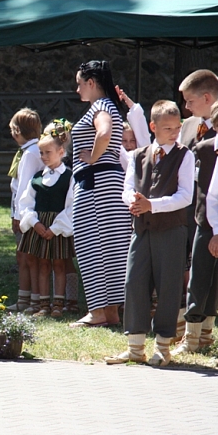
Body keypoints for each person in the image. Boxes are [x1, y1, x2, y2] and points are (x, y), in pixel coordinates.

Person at [105, 101, 193, 367]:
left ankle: (163, 346)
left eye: (177, 127)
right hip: (141, 229)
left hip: (171, 230)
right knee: (135, 282)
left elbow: (185, 196)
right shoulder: (138, 155)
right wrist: (132, 200)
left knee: (168, 286)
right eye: (167, 128)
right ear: (153, 127)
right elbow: (127, 187)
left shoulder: (184, 155)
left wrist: (152, 205)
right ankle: (135, 347)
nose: (174, 132)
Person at [69, 60, 130, 328]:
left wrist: (92, 156)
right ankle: (111, 312)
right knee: (112, 246)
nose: (78, 89)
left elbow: (103, 132)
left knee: (90, 245)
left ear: (91, 83)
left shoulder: (100, 106)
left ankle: (97, 311)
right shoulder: (111, 106)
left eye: (80, 83)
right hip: (108, 183)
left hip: (96, 184)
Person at [173, 70, 218, 348]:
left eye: (190, 101)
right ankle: (191, 330)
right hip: (192, 206)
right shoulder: (189, 125)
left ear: (207, 97)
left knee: (215, 271)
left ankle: (207, 329)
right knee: (193, 267)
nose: (186, 107)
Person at [191, 96, 218, 366]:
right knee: (211, 282)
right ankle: (196, 335)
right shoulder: (211, 153)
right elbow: (213, 196)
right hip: (217, 228)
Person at [18, 122, 74, 318]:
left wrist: (56, 228)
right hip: (40, 226)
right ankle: (43, 304)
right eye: (41, 153)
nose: (43, 157)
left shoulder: (69, 177)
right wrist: (35, 223)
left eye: (47, 152)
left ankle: (58, 303)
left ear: (60, 151)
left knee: (59, 263)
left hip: (57, 225)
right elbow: (25, 202)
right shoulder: (36, 178)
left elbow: (71, 205)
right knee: (42, 263)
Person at [6, 108, 44, 312]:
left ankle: (35, 299)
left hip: (27, 212)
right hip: (25, 210)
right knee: (22, 256)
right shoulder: (29, 150)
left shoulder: (30, 154)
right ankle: (24, 298)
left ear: (17, 131)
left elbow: (24, 188)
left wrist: (18, 216)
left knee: (29, 256)